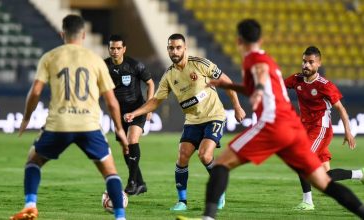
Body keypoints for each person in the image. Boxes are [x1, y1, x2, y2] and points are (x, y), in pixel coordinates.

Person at [177, 19, 364, 220]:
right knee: (323, 181)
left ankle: (208, 217)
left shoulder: (253, 59)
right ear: (262, 39)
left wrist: (257, 90)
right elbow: (262, 84)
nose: (306, 65)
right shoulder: (270, 61)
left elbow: (261, 75)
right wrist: (230, 86)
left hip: (273, 125)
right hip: (293, 127)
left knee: (221, 164)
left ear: (238, 41)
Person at [10, 15, 128, 220]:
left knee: (33, 161)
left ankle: (30, 205)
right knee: (110, 172)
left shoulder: (50, 57)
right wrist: (119, 129)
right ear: (83, 35)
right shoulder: (96, 60)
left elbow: (35, 92)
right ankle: (120, 217)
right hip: (88, 125)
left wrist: (26, 118)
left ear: (62, 34)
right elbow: (111, 102)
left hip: (59, 124)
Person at [124, 33, 246, 211]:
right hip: (192, 120)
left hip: (214, 116)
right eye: (171, 48)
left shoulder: (200, 63)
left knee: (205, 155)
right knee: (182, 157)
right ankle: (182, 201)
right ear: (168, 50)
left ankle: (218, 192)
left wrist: (237, 106)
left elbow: (226, 81)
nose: (174, 51)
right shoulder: (169, 75)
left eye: (178, 47)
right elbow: (156, 101)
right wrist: (135, 113)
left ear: (185, 48)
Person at [284, 46, 364, 211]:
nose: (306, 65)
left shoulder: (325, 85)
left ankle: (308, 202)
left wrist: (348, 131)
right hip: (305, 128)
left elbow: (341, 109)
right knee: (325, 179)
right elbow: (278, 87)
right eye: (304, 61)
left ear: (318, 64)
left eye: (311, 62)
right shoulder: (296, 79)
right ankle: (360, 174)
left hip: (320, 128)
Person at [104, 34, 155, 196]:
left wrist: (149, 107)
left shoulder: (134, 65)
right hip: (119, 113)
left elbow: (150, 83)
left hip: (136, 109)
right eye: (112, 48)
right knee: (126, 149)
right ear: (109, 49)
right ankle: (140, 183)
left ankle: (132, 183)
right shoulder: (104, 66)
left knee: (132, 140)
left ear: (124, 49)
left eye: (118, 48)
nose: (115, 51)